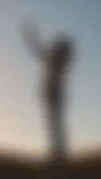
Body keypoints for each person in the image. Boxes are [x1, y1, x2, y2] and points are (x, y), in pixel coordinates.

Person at [21, 21, 75, 167]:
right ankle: (59, 156)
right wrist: (30, 36)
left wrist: (29, 35)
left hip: (53, 95)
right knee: (55, 125)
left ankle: (59, 158)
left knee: (55, 125)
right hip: (55, 95)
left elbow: (37, 50)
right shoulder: (58, 60)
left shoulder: (55, 59)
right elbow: (38, 50)